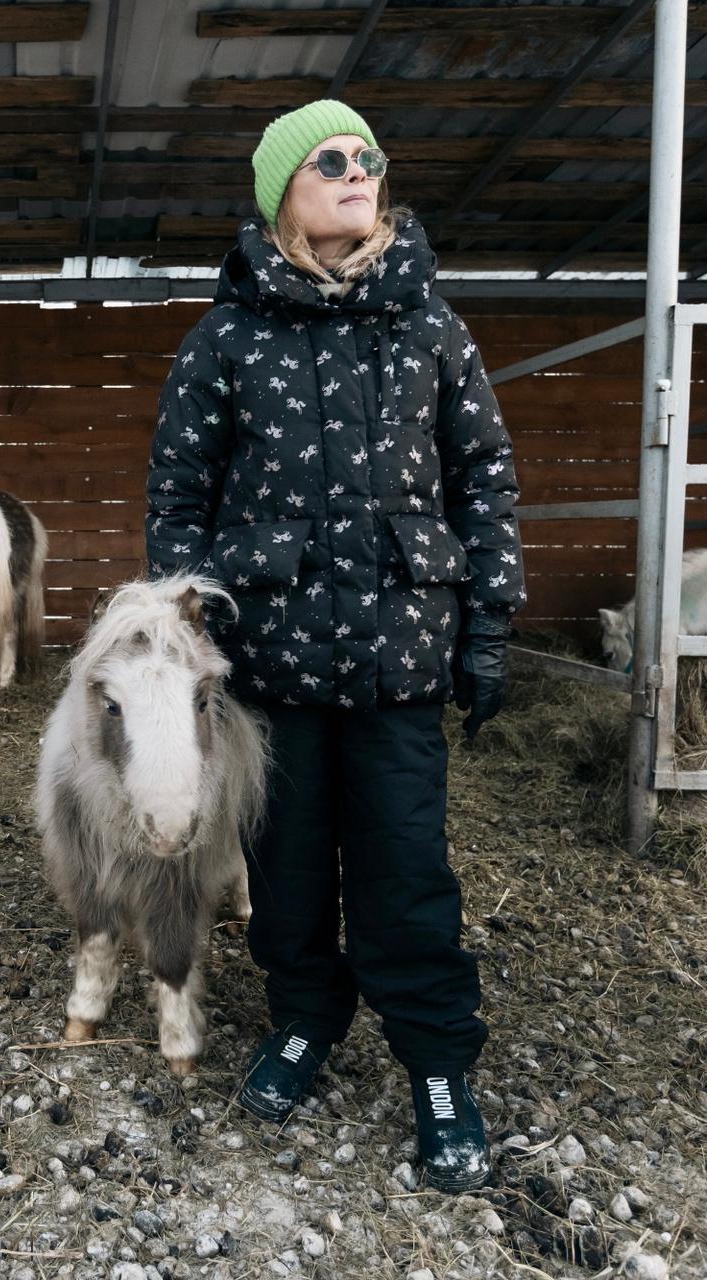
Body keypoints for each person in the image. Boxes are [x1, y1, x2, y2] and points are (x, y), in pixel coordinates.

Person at [145, 99, 525, 1194]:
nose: (359, 171)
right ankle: (306, 1018)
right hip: (272, 667)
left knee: (407, 869)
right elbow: (179, 498)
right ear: (283, 197)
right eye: (330, 160)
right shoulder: (226, 340)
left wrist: (489, 619)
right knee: (289, 867)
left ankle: (439, 1065)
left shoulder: (432, 329)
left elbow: (484, 476)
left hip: (401, 662)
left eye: (370, 157)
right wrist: (189, 641)